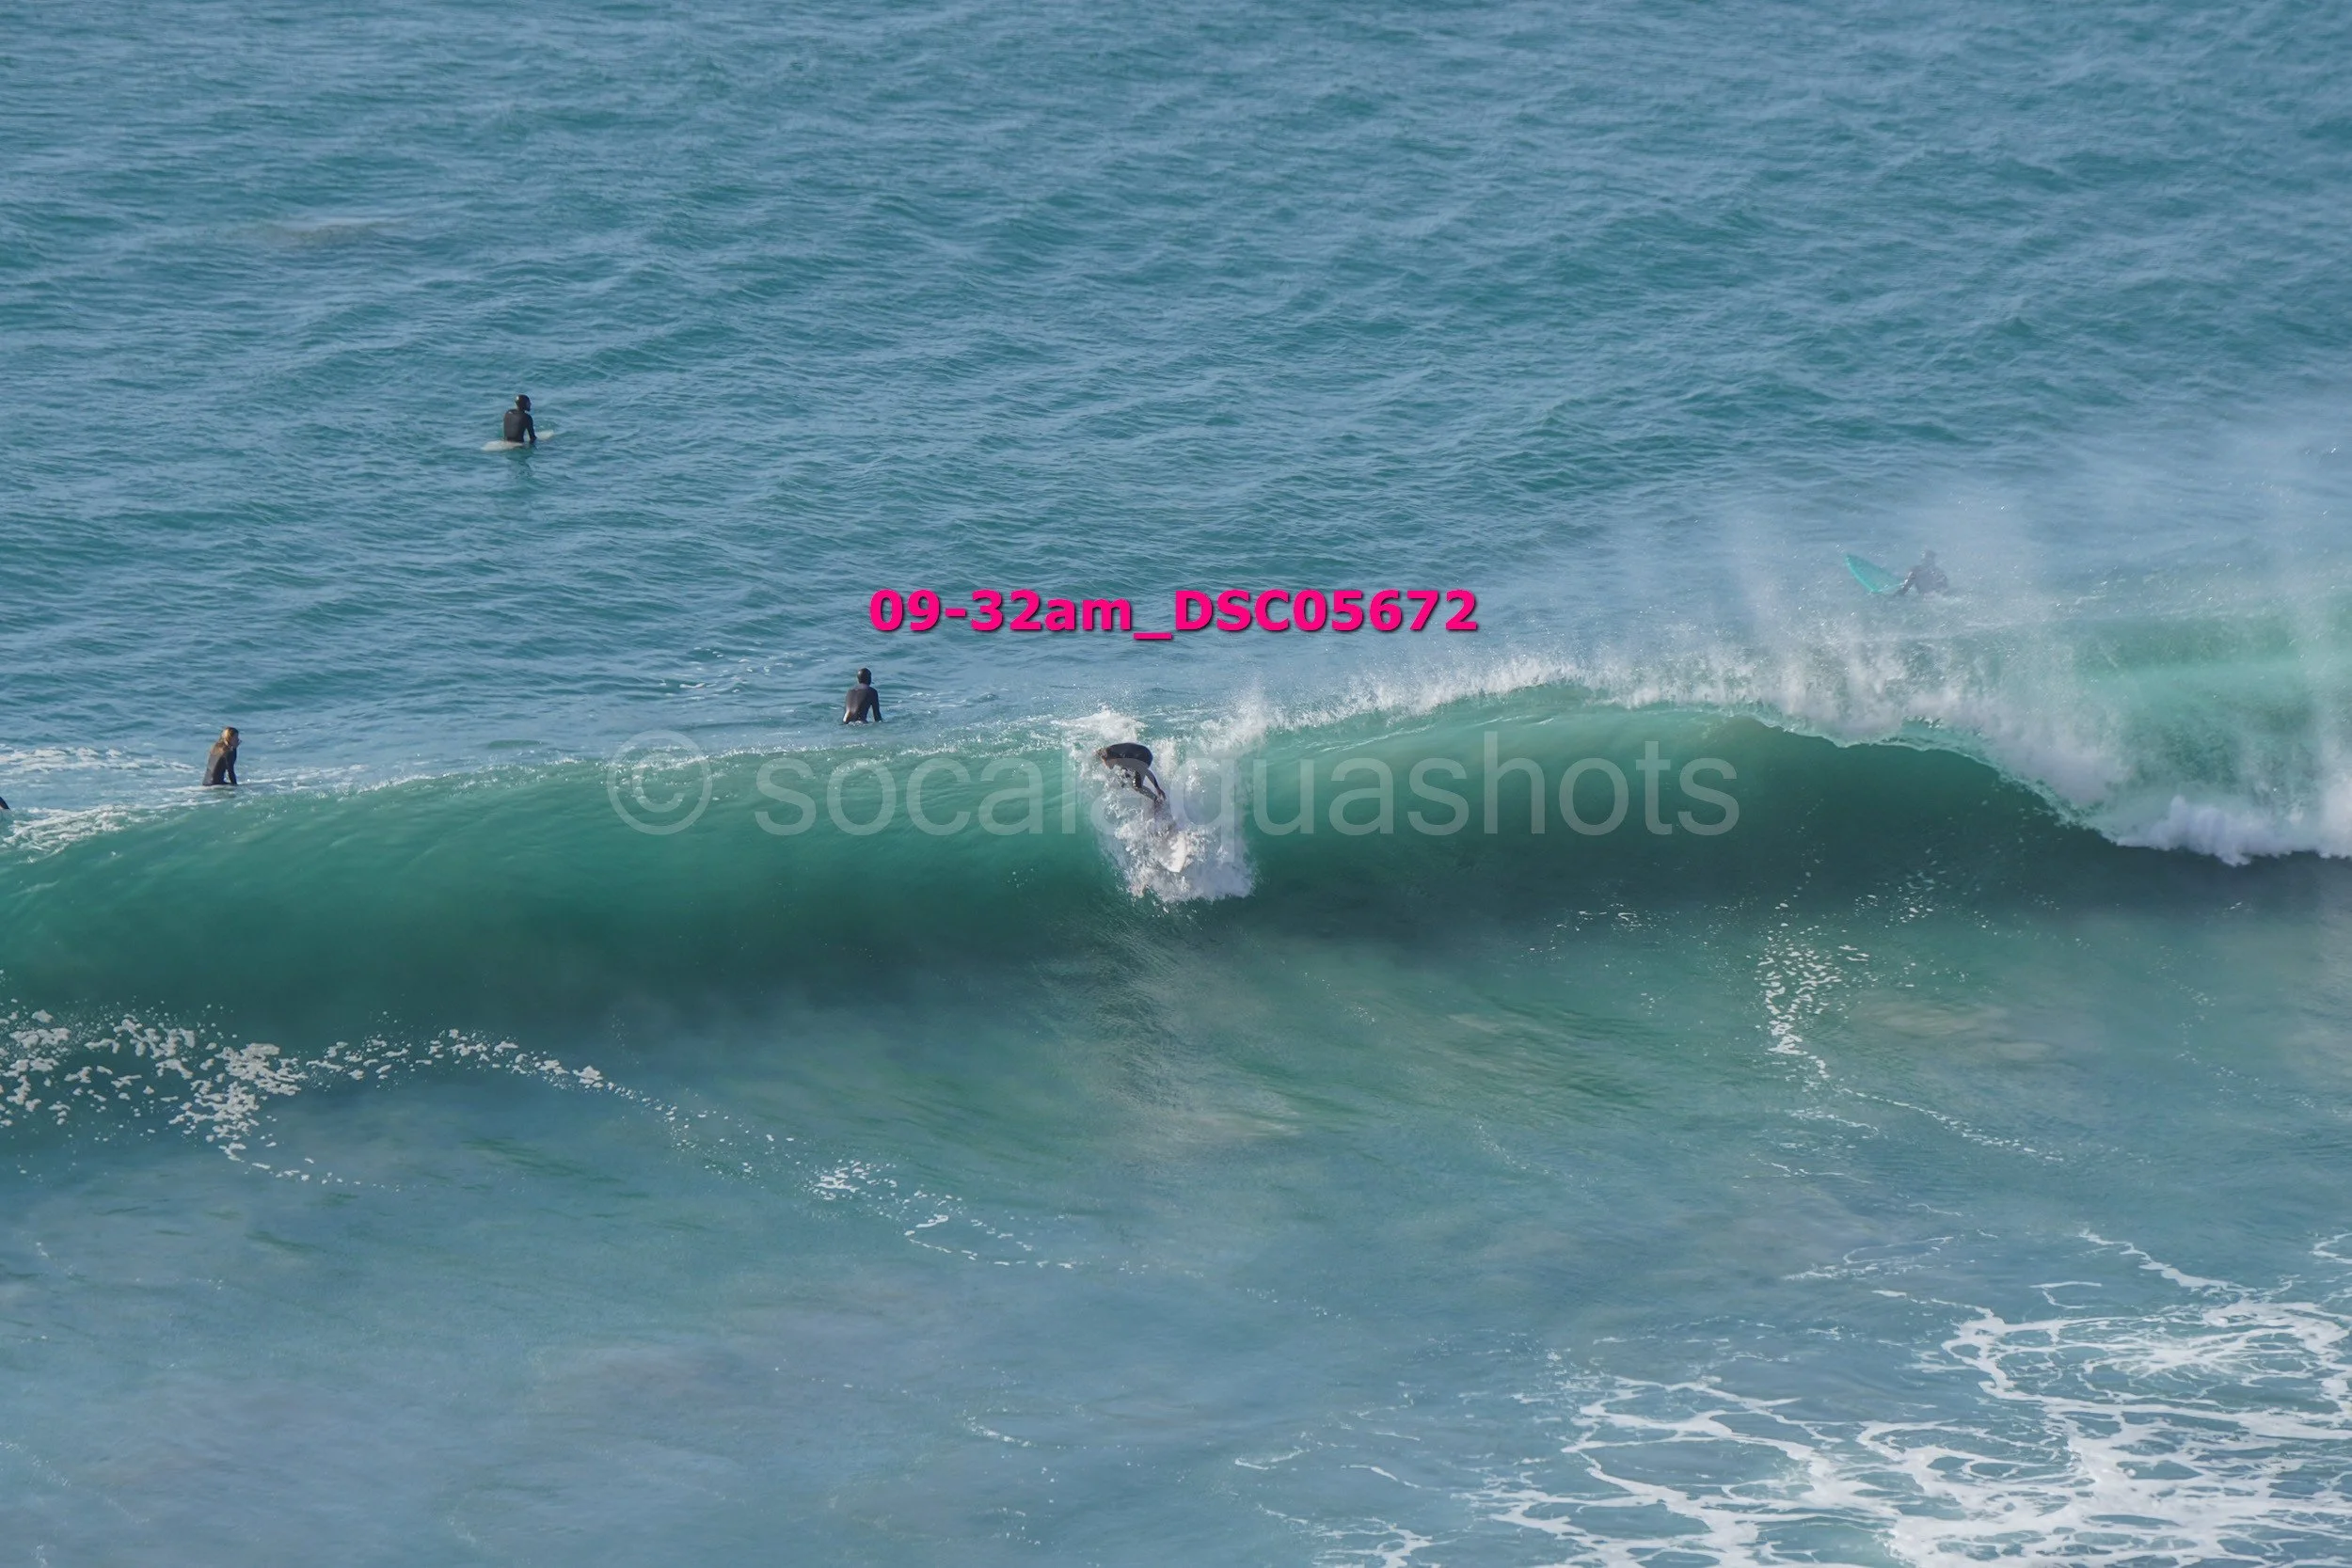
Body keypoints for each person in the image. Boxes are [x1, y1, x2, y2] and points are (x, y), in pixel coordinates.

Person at [1096, 742, 1167, 809]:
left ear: (1111, 758)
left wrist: (1157, 787)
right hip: (1135, 753)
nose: (1108, 766)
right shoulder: (1110, 753)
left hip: (1145, 756)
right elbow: (1101, 752)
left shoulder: (1126, 760)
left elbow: (1147, 772)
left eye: (1108, 763)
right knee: (1123, 779)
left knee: (1136, 786)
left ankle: (1157, 800)